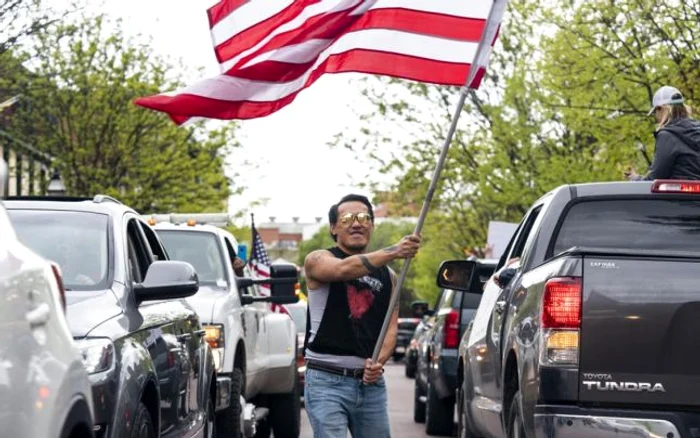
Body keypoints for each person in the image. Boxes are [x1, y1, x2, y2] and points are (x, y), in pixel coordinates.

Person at [302, 194, 421, 438]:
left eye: (364, 217)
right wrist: (395, 250)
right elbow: (343, 269)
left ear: (372, 225)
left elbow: (390, 330)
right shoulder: (318, 259)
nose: (356, 223)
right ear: (333, 228)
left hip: (370, 386)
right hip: (325, 381)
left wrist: (379, 363)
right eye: (346, 218)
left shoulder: (389, 277)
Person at [626, 85, 700, 181]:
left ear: (661, 108)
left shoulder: (667, 136)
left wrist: (635, 178)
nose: (656, 117)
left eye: (655, 112)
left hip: (677, 195)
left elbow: (654, 178)